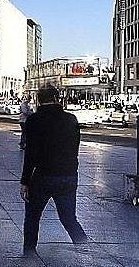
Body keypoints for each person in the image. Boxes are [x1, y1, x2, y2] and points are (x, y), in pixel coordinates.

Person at [19, 84, 88, 256]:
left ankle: (29, 252)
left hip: (44, 176)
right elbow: (75, 147)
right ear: (57, 99)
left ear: (39, 101)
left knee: (33, 216)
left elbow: (31, 154)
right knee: (69, 218)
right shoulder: (71, 119)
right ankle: (86, 247)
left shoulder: (34, 120)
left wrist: (25, 181)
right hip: (68, 175)